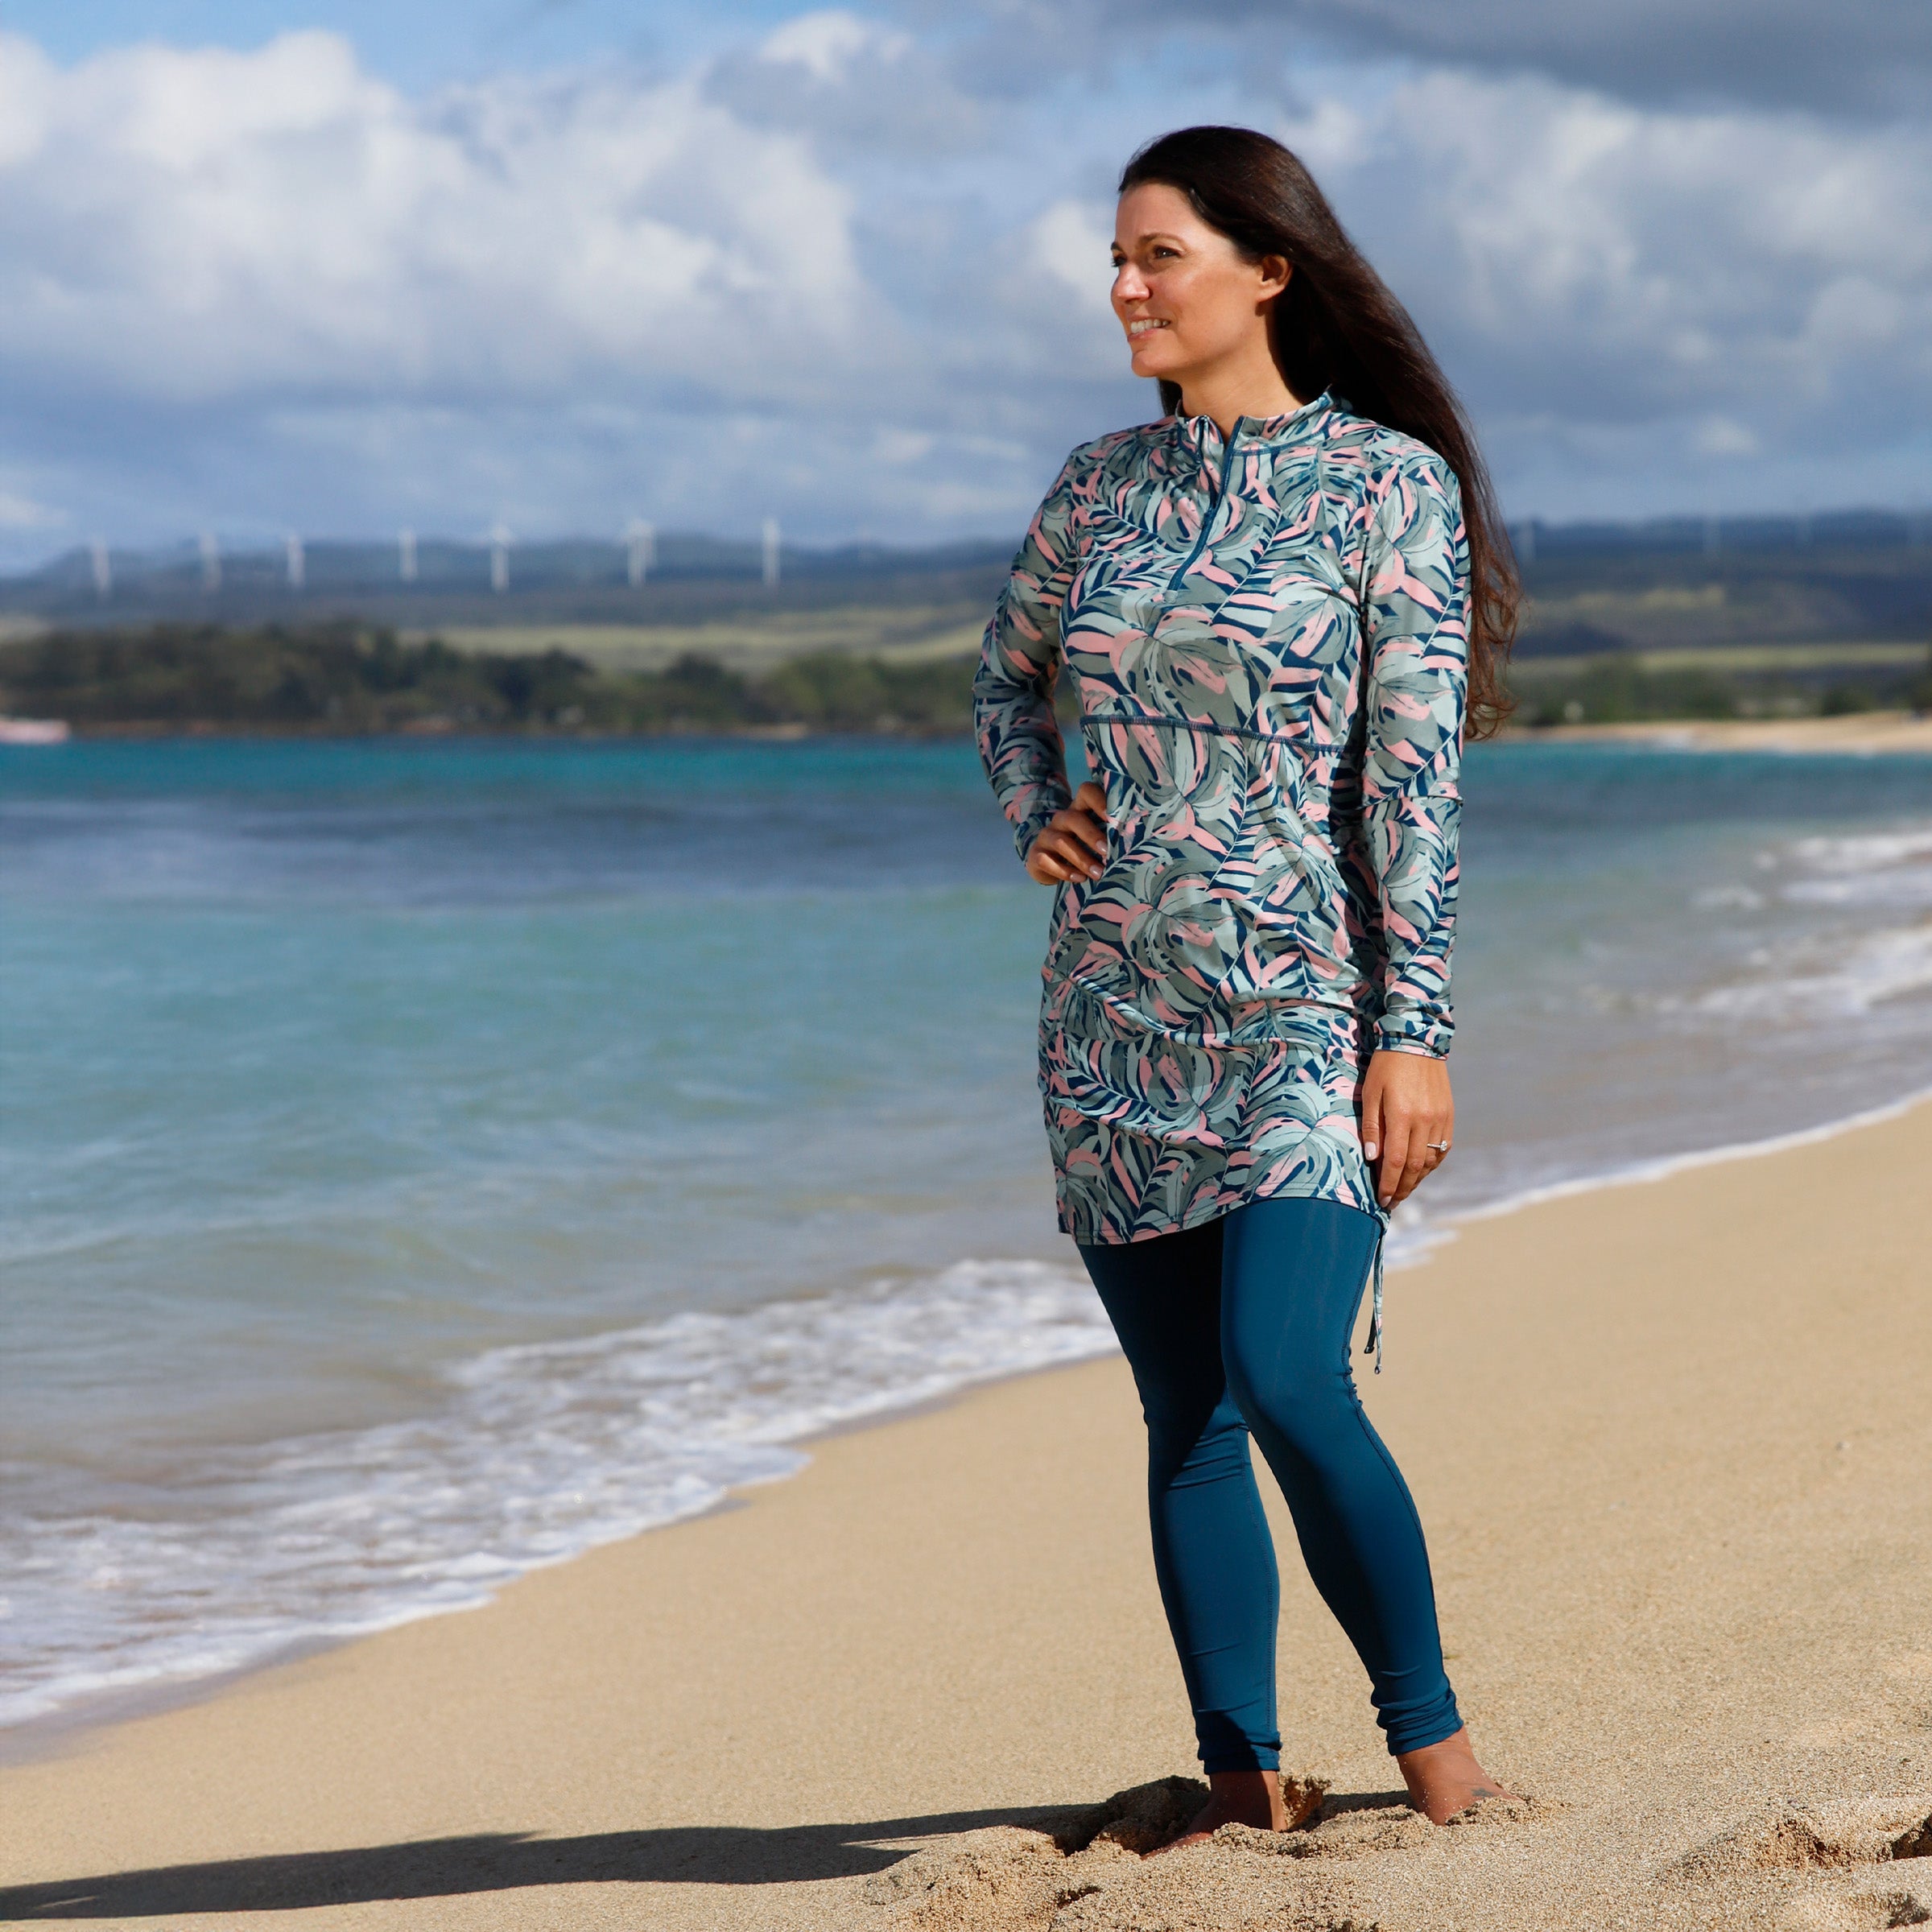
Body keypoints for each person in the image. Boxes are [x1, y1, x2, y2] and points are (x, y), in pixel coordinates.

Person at [973, 125, 1521, 1850]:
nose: (1126, 290)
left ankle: (1442, 1766)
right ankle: (1237, 1782)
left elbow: (1414, 780)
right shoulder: (1096, 489)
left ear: (1269, 271)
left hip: (1303, 998)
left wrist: (1414, 1029)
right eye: (1116, 262)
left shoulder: (1383, 488)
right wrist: (1038, 811)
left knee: (1289, 1376)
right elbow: (1002, 685)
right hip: (1111, 1019)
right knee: (1186, 1414)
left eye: (1161, 257)